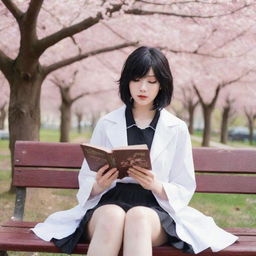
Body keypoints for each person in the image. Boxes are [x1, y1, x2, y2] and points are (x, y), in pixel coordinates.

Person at [32, 46, 238, 255]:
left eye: (151, 81)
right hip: (108, 203)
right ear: (126, 81)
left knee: (138, 217)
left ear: (162, 85)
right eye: (136, 79)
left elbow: (184, 184)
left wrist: (156, 185)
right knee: (113, 216)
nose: (143, 88)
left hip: (155, 208)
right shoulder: (107, 122)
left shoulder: (176, 128)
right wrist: (98, 185)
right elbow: (86, 177)